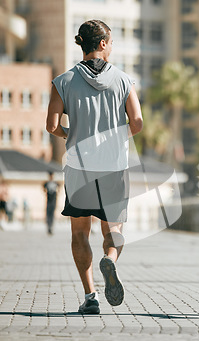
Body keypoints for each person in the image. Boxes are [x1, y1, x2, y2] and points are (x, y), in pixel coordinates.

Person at [46, 19, 143, 314]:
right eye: (111, 42)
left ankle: (90, 296)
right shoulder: (124, 80)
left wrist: (71, 135)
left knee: (79, 233)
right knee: (113, 230)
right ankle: (110, 260)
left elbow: (51, 126)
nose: (112, 47)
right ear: (102, 44)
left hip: (79, 168)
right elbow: (137, 123)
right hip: (114, 166)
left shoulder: (63, 81)